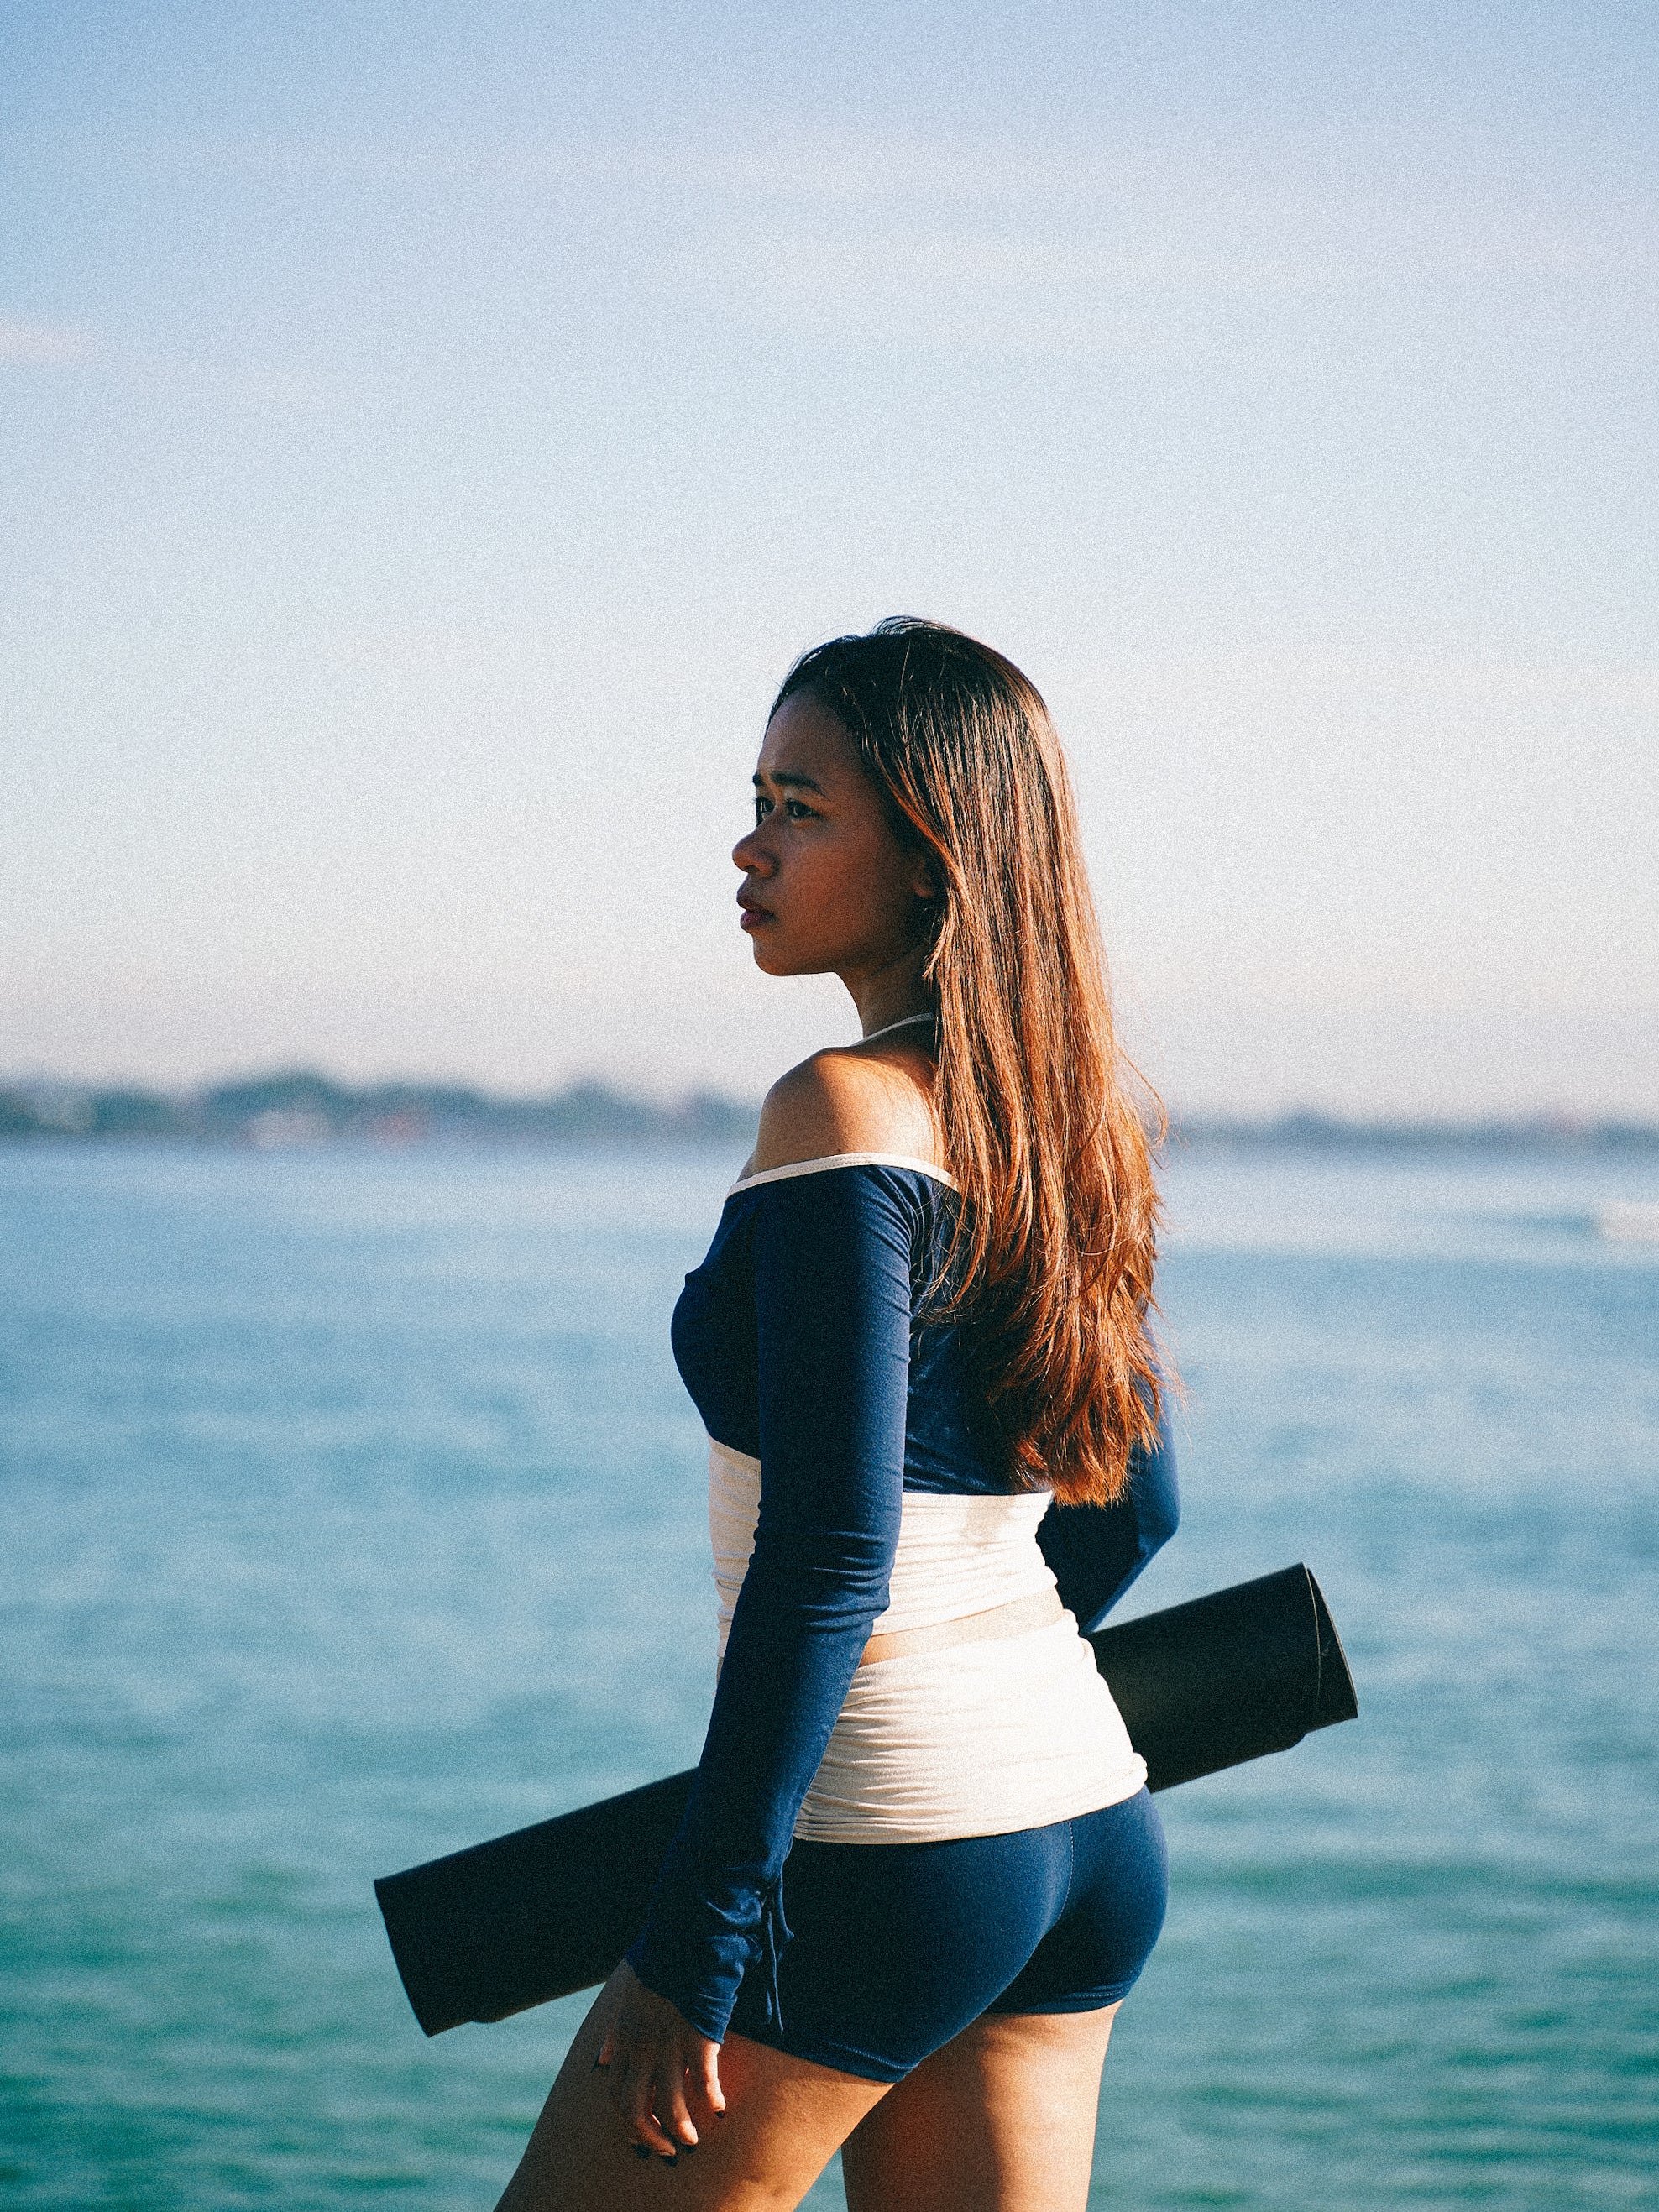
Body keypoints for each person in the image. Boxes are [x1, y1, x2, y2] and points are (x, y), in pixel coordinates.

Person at [496, 619, 1179, 2212]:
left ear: (935, 845)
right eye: (757, 794)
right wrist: (982, 1710)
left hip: (891, 1845)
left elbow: (826, 1551)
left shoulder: (842, 1111)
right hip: (1080, 1820)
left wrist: (703, 1934)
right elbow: (1137, 1510)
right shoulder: (1064, 1135)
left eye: (798, 805)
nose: (747, 844)